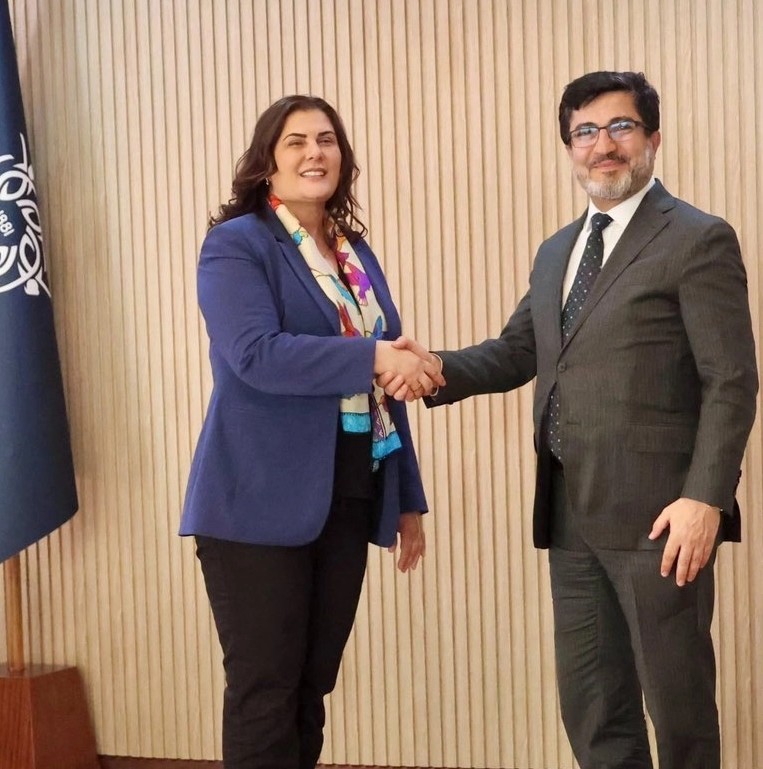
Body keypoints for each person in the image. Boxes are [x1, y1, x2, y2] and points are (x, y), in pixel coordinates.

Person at [387, 71, 758, 769]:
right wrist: (431, 366)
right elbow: (517, 351)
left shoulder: (697, 238)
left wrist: (705, 498)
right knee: (593, 708)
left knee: (677, 708)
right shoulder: (557, 250)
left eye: (620, 127)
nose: (602, 145)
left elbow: (730, 381)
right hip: (568, 516)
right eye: (585, 131)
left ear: (652, 137)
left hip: (660, 521)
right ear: (568, 147)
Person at [179, 95, 443, 769]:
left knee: (310, 688)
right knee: (265, 693)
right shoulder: (237, 244)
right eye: (295, 141)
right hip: (255, 502)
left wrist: (406, 497)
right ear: (267, 161)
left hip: (348, 492)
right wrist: (373, 355)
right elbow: (256, 354)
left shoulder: (351, 252)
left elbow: (385, 378)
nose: (314, 152)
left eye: (326, 140)